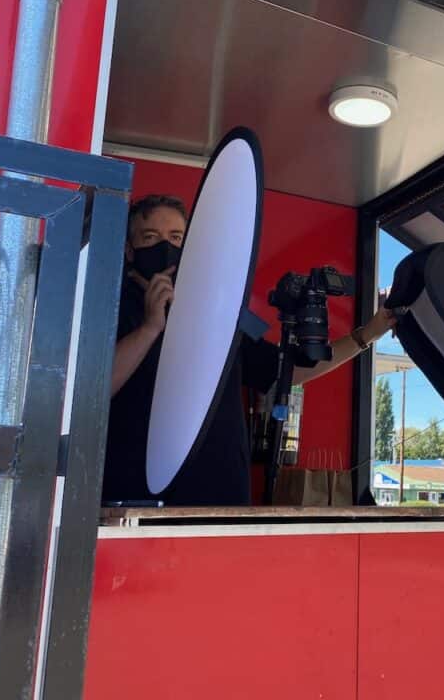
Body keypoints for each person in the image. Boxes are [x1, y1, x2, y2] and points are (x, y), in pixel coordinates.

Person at [103, 194, 393, 506]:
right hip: (133, 505)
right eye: (150, 237)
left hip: (219, 502)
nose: (165, 247)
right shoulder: (108, 306)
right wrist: (149, 328)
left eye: (176, 237)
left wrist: (368, 334)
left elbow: (286, 371)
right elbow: (91, 393)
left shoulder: (218, 316)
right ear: (129, 250)